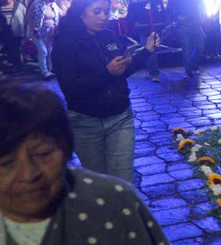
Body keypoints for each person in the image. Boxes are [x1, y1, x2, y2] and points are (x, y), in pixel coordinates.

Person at [0, 82, 169, 245]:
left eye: (43, 154)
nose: (28, 174)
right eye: (6, 163)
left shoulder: (115, 200)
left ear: (66, 149)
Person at [52, 0, 160, 182]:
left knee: (122, 182)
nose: (103, 17)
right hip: (85, 122)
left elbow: (123, 70)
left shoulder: (110, 36)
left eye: (106, 11)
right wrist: (107, 72)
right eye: (97, 11)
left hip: (120, 117)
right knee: (100, 185)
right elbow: (71, 89)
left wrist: (147, 51)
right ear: (81, 12)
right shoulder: (66, 43)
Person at [127, 0, 166, 82]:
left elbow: (162, 12)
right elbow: (130, 16)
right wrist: (135, 22)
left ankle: (151, 69)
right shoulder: (135, 2)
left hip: (157, 28)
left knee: (154, 49)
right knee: (151, 49)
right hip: (144, 30)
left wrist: (163, 23)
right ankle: (154, 73)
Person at [167, 0, 206, 78]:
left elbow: (203, 5)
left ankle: (192, 63)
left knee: (200, 47)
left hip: (196, 24)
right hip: (182, 27)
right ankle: (189, 70)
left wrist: (203, 15)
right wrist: (177, 16)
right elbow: (169, 11)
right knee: (186, 49)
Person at [27, 0, 60, 80]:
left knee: (49, 51)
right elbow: (29, 17)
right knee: (43, 51)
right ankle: (44, 72)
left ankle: (49, 71)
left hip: (50, 31)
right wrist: (34, 28)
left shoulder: (53, 5)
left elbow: (60, 14)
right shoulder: (36, 4)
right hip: (38, 30)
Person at [0, 0, 26, 66]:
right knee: (8, 45)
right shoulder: (1, 6)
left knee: (17, 45)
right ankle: (10, 61)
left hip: (16, 27)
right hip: (6, 28)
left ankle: (17, 62)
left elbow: (25, 14)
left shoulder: (19, 5)